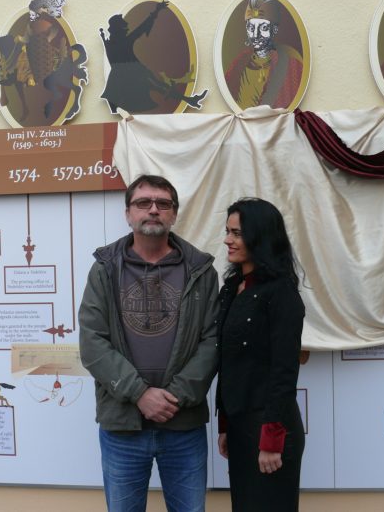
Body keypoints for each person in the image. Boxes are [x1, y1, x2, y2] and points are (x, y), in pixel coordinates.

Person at [78, 174, 219, 512]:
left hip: (182, 423)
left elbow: (213, 340)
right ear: (128, 213)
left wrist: (175, 397)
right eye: (143, 203)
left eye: (163, 204)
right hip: (123, 425)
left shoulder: (201, 270)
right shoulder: (104, 269)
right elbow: (92, 341)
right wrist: (139, 394)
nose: (153, 210)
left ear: (174, 214)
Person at [216, 198, 305, 511]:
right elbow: (229, 363)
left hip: (270, 430)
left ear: (261, 237)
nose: (227, 240)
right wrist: (225, 425)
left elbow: (284, 371)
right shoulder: (232, 287)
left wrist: (271, 441)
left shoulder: (281, 293)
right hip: (240, 427)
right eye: (227, 231)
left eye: (237, 233)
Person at [100, 0, 207, 114]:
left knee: (160, 86)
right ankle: (190, 100)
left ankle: (190, 100)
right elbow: (141, 29)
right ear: (119, 29)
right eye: (125, 27)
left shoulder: (110, 42)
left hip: (126, 77)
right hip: (131, 76)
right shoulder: (123, 42)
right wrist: (156, 11)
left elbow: (139, 30)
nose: (127, 28)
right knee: (159, 86)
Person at [224, 0, 303, 110]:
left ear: (274, 29)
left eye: (263, 28)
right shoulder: (240, 62)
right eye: (251, 28)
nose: (256, 35)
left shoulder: (291, 65)